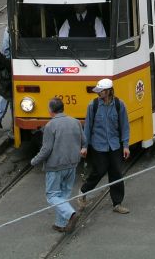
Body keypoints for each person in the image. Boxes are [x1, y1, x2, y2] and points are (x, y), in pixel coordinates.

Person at [30, 97, 84, 233]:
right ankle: (61, 223)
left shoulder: (50, 125)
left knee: (52, 195)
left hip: (55, 166)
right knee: (64, 194)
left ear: (50, 110)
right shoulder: (75, 122)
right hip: (72, 164)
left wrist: (35, 161)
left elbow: (46, 149)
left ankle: (71, 214)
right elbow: (84, 141)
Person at [79, 78, 131, 214]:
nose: (98, 93)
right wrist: (85, 146)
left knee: (116, 173)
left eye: (100, 91)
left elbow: (125, 126)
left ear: (108, 91)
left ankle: (117, 203)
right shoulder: (93, 105)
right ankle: (83, 191)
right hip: (98, 145)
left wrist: (126, 145)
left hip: (114, 145)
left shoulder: (120, 105)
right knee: (99, 171)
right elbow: (88, 127)